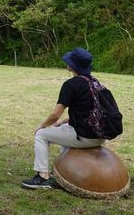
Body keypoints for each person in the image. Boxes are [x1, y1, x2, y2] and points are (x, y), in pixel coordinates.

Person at [21, 48, 106, 189]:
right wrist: (60, 123)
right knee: (64, 129)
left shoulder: (71, 84)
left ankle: (42, 177)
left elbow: (55, 114)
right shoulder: (95, 83)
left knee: (41, 135)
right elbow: (87, 112)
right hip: (100, 135)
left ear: (71, 66)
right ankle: (64, 173)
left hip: (84, 137)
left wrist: (41, 126)